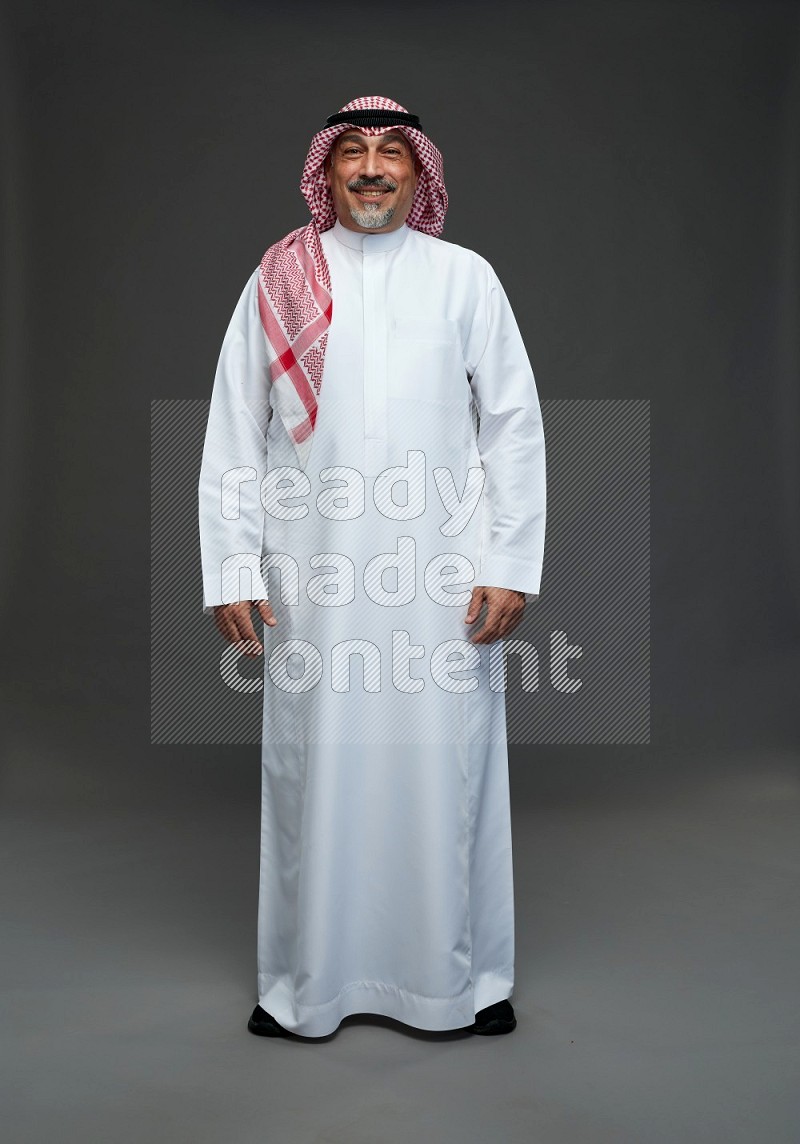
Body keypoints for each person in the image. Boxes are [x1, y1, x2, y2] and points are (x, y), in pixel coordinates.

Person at [197, 96, 546, 1039]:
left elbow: (513, 428)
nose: (372, 169)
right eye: (353, 152)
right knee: (316, 768)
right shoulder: (281, 281)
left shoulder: (465, 279)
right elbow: (236, 428)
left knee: (451, 770)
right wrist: (232, 566)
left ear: (419, 172)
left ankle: (461, 984)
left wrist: (510, 560)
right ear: (328, 169)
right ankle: (304, 986)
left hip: (442, 576)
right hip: (314, 575)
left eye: (392, 153)